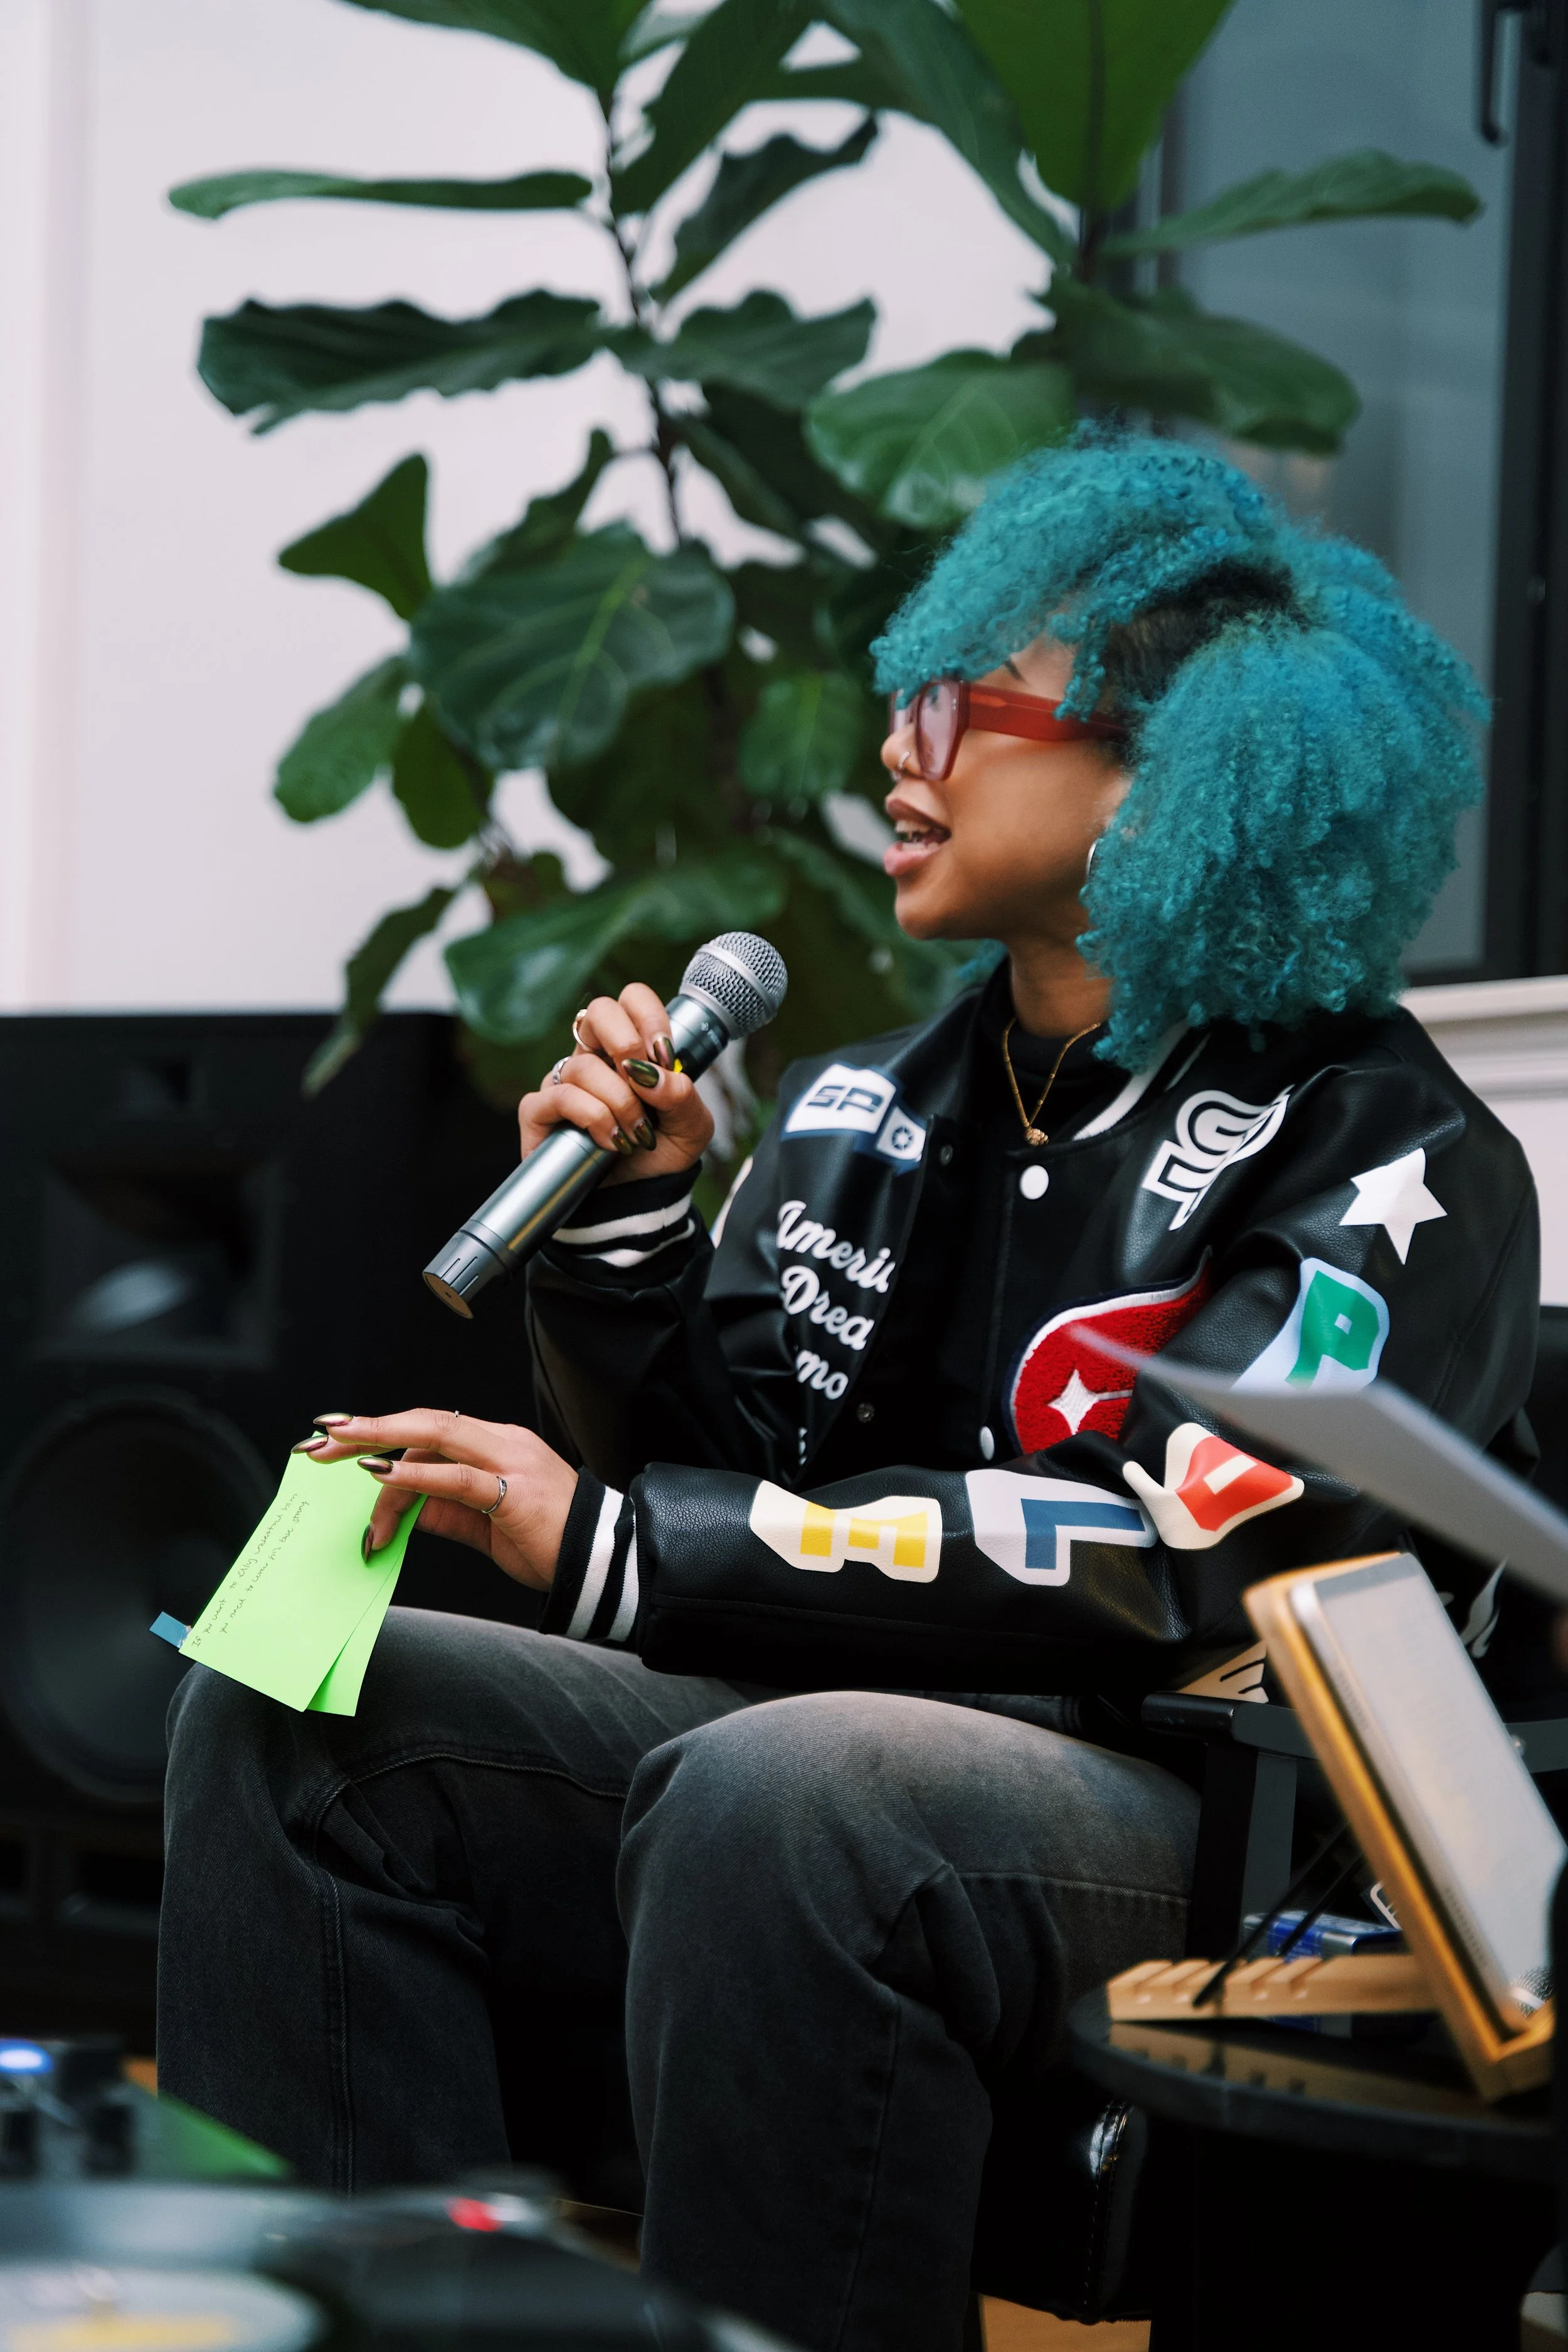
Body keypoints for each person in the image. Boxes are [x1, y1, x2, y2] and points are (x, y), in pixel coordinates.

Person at [158, 430, 1538, 2352]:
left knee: (789, 1791)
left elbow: (1165, 1552)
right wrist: (628, 1238)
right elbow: (735, 1491)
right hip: (841, 1748)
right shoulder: (853, 1105)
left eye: (957, 704)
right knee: (301, 1706)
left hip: (1220, 1830)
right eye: (902, 694)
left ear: (1166, 772)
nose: (896, 747)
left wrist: (629, 1545)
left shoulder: (1385, 1154)